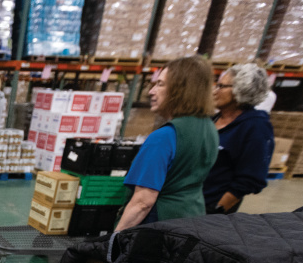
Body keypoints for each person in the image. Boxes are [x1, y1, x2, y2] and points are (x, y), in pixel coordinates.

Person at [114, 55, 218, 231]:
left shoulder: (164, 137)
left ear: (181, 90)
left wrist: (112, 242)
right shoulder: (209, 128)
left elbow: (142, 202)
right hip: (192, 222)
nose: (151, 91)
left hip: (159, 225)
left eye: (160, 84)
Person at [204, 64, 275, 215]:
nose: (215, 91)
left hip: (211, 207)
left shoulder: (255, 127)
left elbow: (250, 179)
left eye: (221, 86)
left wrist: (217, 209)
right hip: (192, 200)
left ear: (241, 90)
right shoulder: (212, 119)